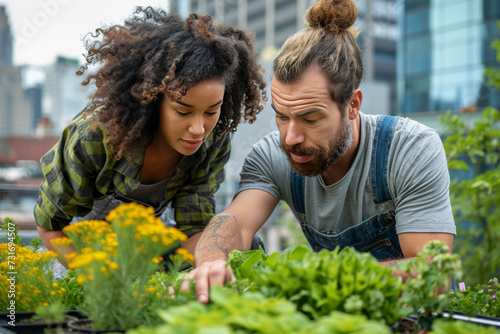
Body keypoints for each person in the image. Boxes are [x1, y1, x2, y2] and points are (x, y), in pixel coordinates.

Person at [185, 0, 456, 303]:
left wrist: (311, 279)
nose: (290, 137)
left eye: (310, 119)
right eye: (281, 115)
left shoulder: (409, 149)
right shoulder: (273, 155)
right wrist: (211, 263)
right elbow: (234, 222)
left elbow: (433, 273)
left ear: (352, 105)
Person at [34, 7, 266, 257]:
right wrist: (105, 283)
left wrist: (181, 272)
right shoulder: (94, 138)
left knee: (245, 244)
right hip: (86, 258)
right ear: (153, 101)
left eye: (211, 112)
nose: (199, 130)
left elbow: (195, 228)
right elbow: (50, 227)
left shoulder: (213, 140)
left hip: (149, 257)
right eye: (183, 111)